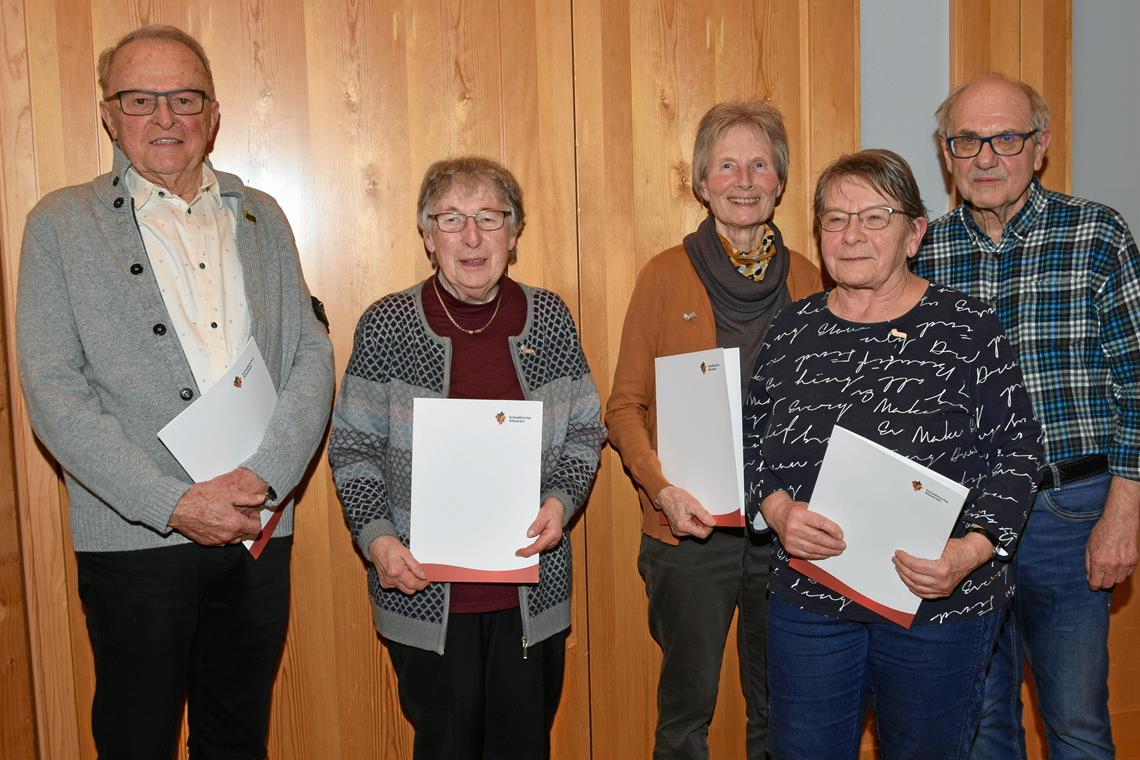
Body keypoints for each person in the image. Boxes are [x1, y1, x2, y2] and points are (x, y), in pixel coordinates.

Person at [15, 24, 333, 760]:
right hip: (135, 535)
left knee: (237, 735)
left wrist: (266, 479)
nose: (164, 118)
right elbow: (53, 391)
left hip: (258, 530)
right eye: (139, 99)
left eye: (184, 98)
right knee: (135, 739)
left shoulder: (264, 217)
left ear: (213, 114)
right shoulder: (59, 226)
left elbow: (311, 354)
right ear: (108, 114)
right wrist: (173, 502)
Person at [747, 149, 1042, 760]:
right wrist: (777, 511)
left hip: (939, 605)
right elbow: (750, 446)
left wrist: (970, 551)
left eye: (875, 217)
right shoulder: (790, 330)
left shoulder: (968, 327)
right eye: (834, 219)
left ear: (915, 234)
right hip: (811, 604)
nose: (852, 235)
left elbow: (1018, 454)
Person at [328, 156, 604, 760]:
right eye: (451, 219)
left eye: (489, 217)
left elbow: (586, 429)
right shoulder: (388, 325)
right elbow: (352, 446)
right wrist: (377, 541)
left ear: (514, 232)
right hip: (424, 593)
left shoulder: (549, 318)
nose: (472, 237)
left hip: (531, 596)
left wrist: (562, 501)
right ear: (427, 237)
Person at [914, 74, 1140, 760]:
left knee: (1074, 723)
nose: (985, 157)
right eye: (966, 141)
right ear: (946, 152)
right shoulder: (923, 251)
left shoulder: (1096, 235)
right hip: (958, 518)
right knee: (978, 725)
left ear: (1039, 147)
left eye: (1005, 138)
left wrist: (1123, 515)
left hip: (1068, 516)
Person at [606, 100, 822, 760]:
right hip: (690, 533)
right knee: (685, 716)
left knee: (780, 709)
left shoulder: (813, 281)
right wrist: (661, 489)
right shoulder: (664, 274)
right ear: (702, 183)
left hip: (786, 537)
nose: (745, 179)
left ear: (780, 181)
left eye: (760, 164)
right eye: (726, 165)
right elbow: (623, 407)